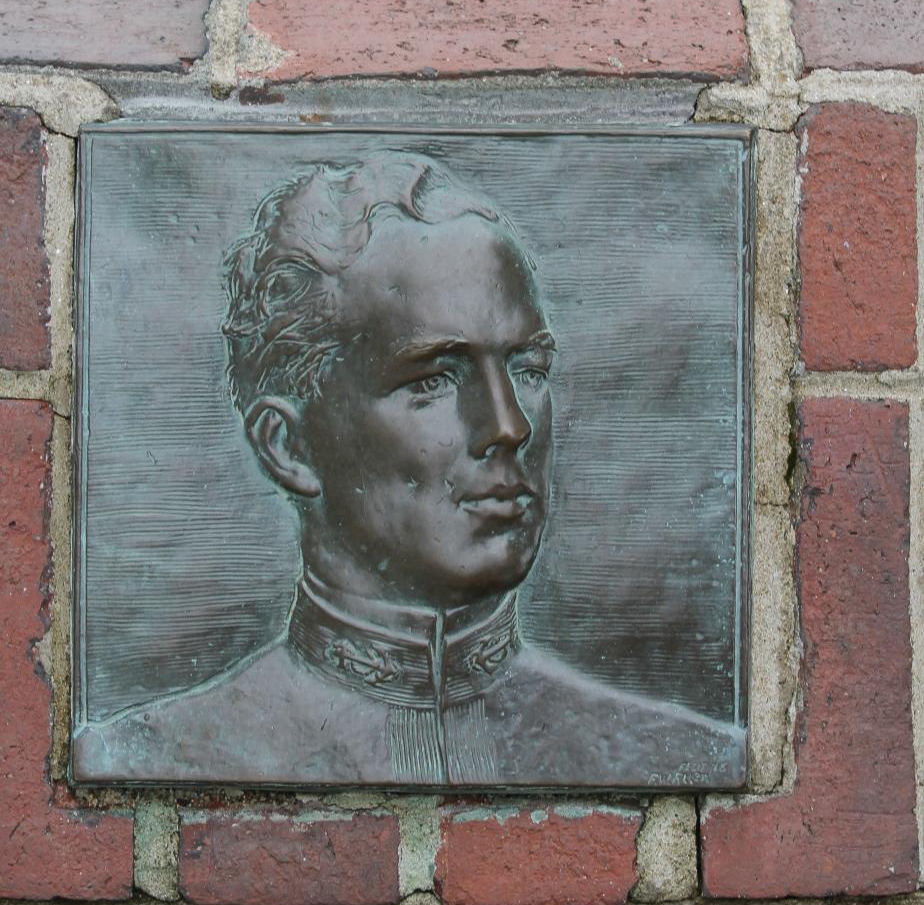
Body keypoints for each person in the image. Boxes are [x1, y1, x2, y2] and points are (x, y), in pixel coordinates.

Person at [74, 151, 745, 789]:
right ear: (289, 446)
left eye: (527, 370)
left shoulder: (681, 754)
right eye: (433, 381)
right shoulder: (155, 753)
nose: (510, 426)